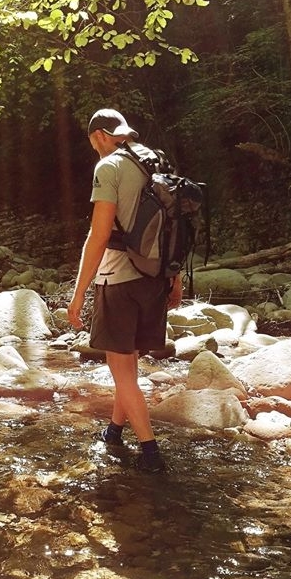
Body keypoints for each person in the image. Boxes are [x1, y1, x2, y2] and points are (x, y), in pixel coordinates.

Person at [67, 109, 183, 474]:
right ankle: (115, 431)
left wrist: (78, 292)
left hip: (118, 279)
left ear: (99, 136)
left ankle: (151, 455)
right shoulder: (158, 159)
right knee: (129, 363)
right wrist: (174, 277)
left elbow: (99, 235)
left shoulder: (108, 167)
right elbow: (176, 224)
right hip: (156, 277)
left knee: (121, 368)